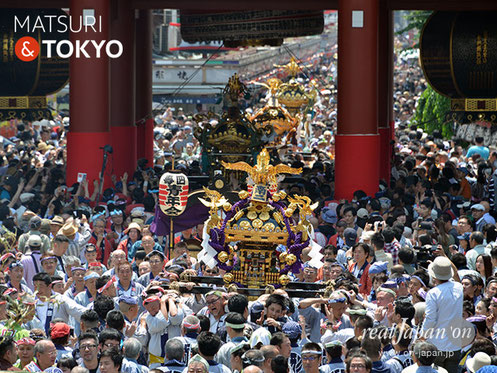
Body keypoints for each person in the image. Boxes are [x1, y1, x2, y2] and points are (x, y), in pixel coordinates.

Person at [419, 256, 463, 372]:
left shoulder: (433, 293)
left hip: (437, 345)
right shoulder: (459, 287)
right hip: (455, 344)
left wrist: (422, 336)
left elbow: (430, 319)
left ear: (434, 276)